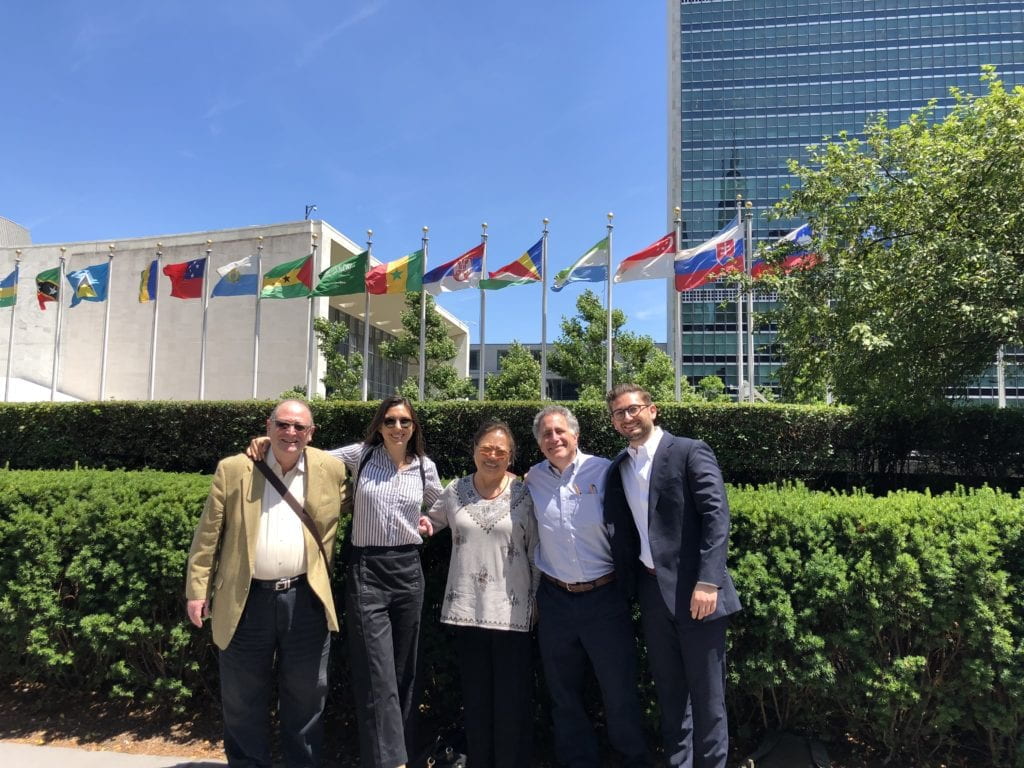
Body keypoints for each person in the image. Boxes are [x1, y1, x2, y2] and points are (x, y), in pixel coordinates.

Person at [185, 399, 350, 768]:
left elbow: (367, 472)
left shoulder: (331, 469)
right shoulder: (234, 469)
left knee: (306, 696)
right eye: (283, 425)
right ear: (268, 426)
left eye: (299, 427)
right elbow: (208, 535)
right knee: (243, 698)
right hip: (247, 599)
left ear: (311, 433)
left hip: (305, 598)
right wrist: (197, 589)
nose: (290, 433)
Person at [603, 384, 742, 768]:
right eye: (618, 413)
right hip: (651, 593)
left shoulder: (688, 451)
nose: (627, 418)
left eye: (633, 409)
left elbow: (717, 517)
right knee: (670, 695)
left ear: (653, 410)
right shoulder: (619, 467)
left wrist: (708, 581)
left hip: (698, 593)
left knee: (708, 697)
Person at [525, 405, 650, 768]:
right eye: (546, 434)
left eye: (560, 431)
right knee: (563, 694)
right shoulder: (532, 479)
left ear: (576, 435)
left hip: (604, 600)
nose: (554, 439)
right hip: (555, 602)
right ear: (539, 443)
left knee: (619, 691)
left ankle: (633, 761)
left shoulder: (606, 471)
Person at [417, 419, 538, 768]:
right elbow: (432, 521)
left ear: (510, 455)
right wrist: (421, 524)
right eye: (486, 448)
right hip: (466, 611)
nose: (493, 455)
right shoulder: (455, 490)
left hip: (512, 614)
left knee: (511, 702)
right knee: (476, 700)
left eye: (501, 450)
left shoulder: (525, 494)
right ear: (474, 451)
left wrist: (538, 600)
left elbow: (537, 551)